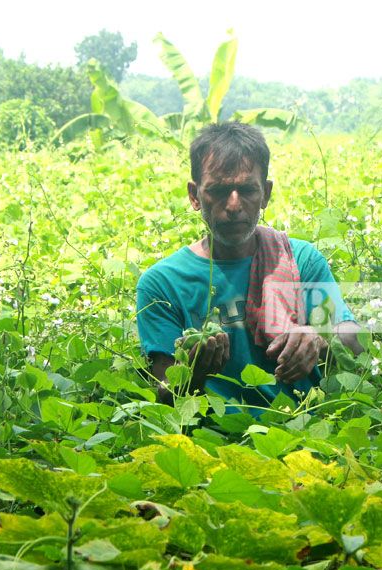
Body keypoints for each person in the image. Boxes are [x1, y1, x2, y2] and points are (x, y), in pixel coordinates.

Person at [135, 122, 363, 414]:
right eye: (217, 191)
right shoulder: (162, 283)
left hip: (302, 425)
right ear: (195, 195)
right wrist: (192, 372)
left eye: (246, 190)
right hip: (211, 437)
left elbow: (353, 341)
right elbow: (165, 394)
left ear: (265, 194)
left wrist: (318, 336)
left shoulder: (300, 260)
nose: (233, 205)